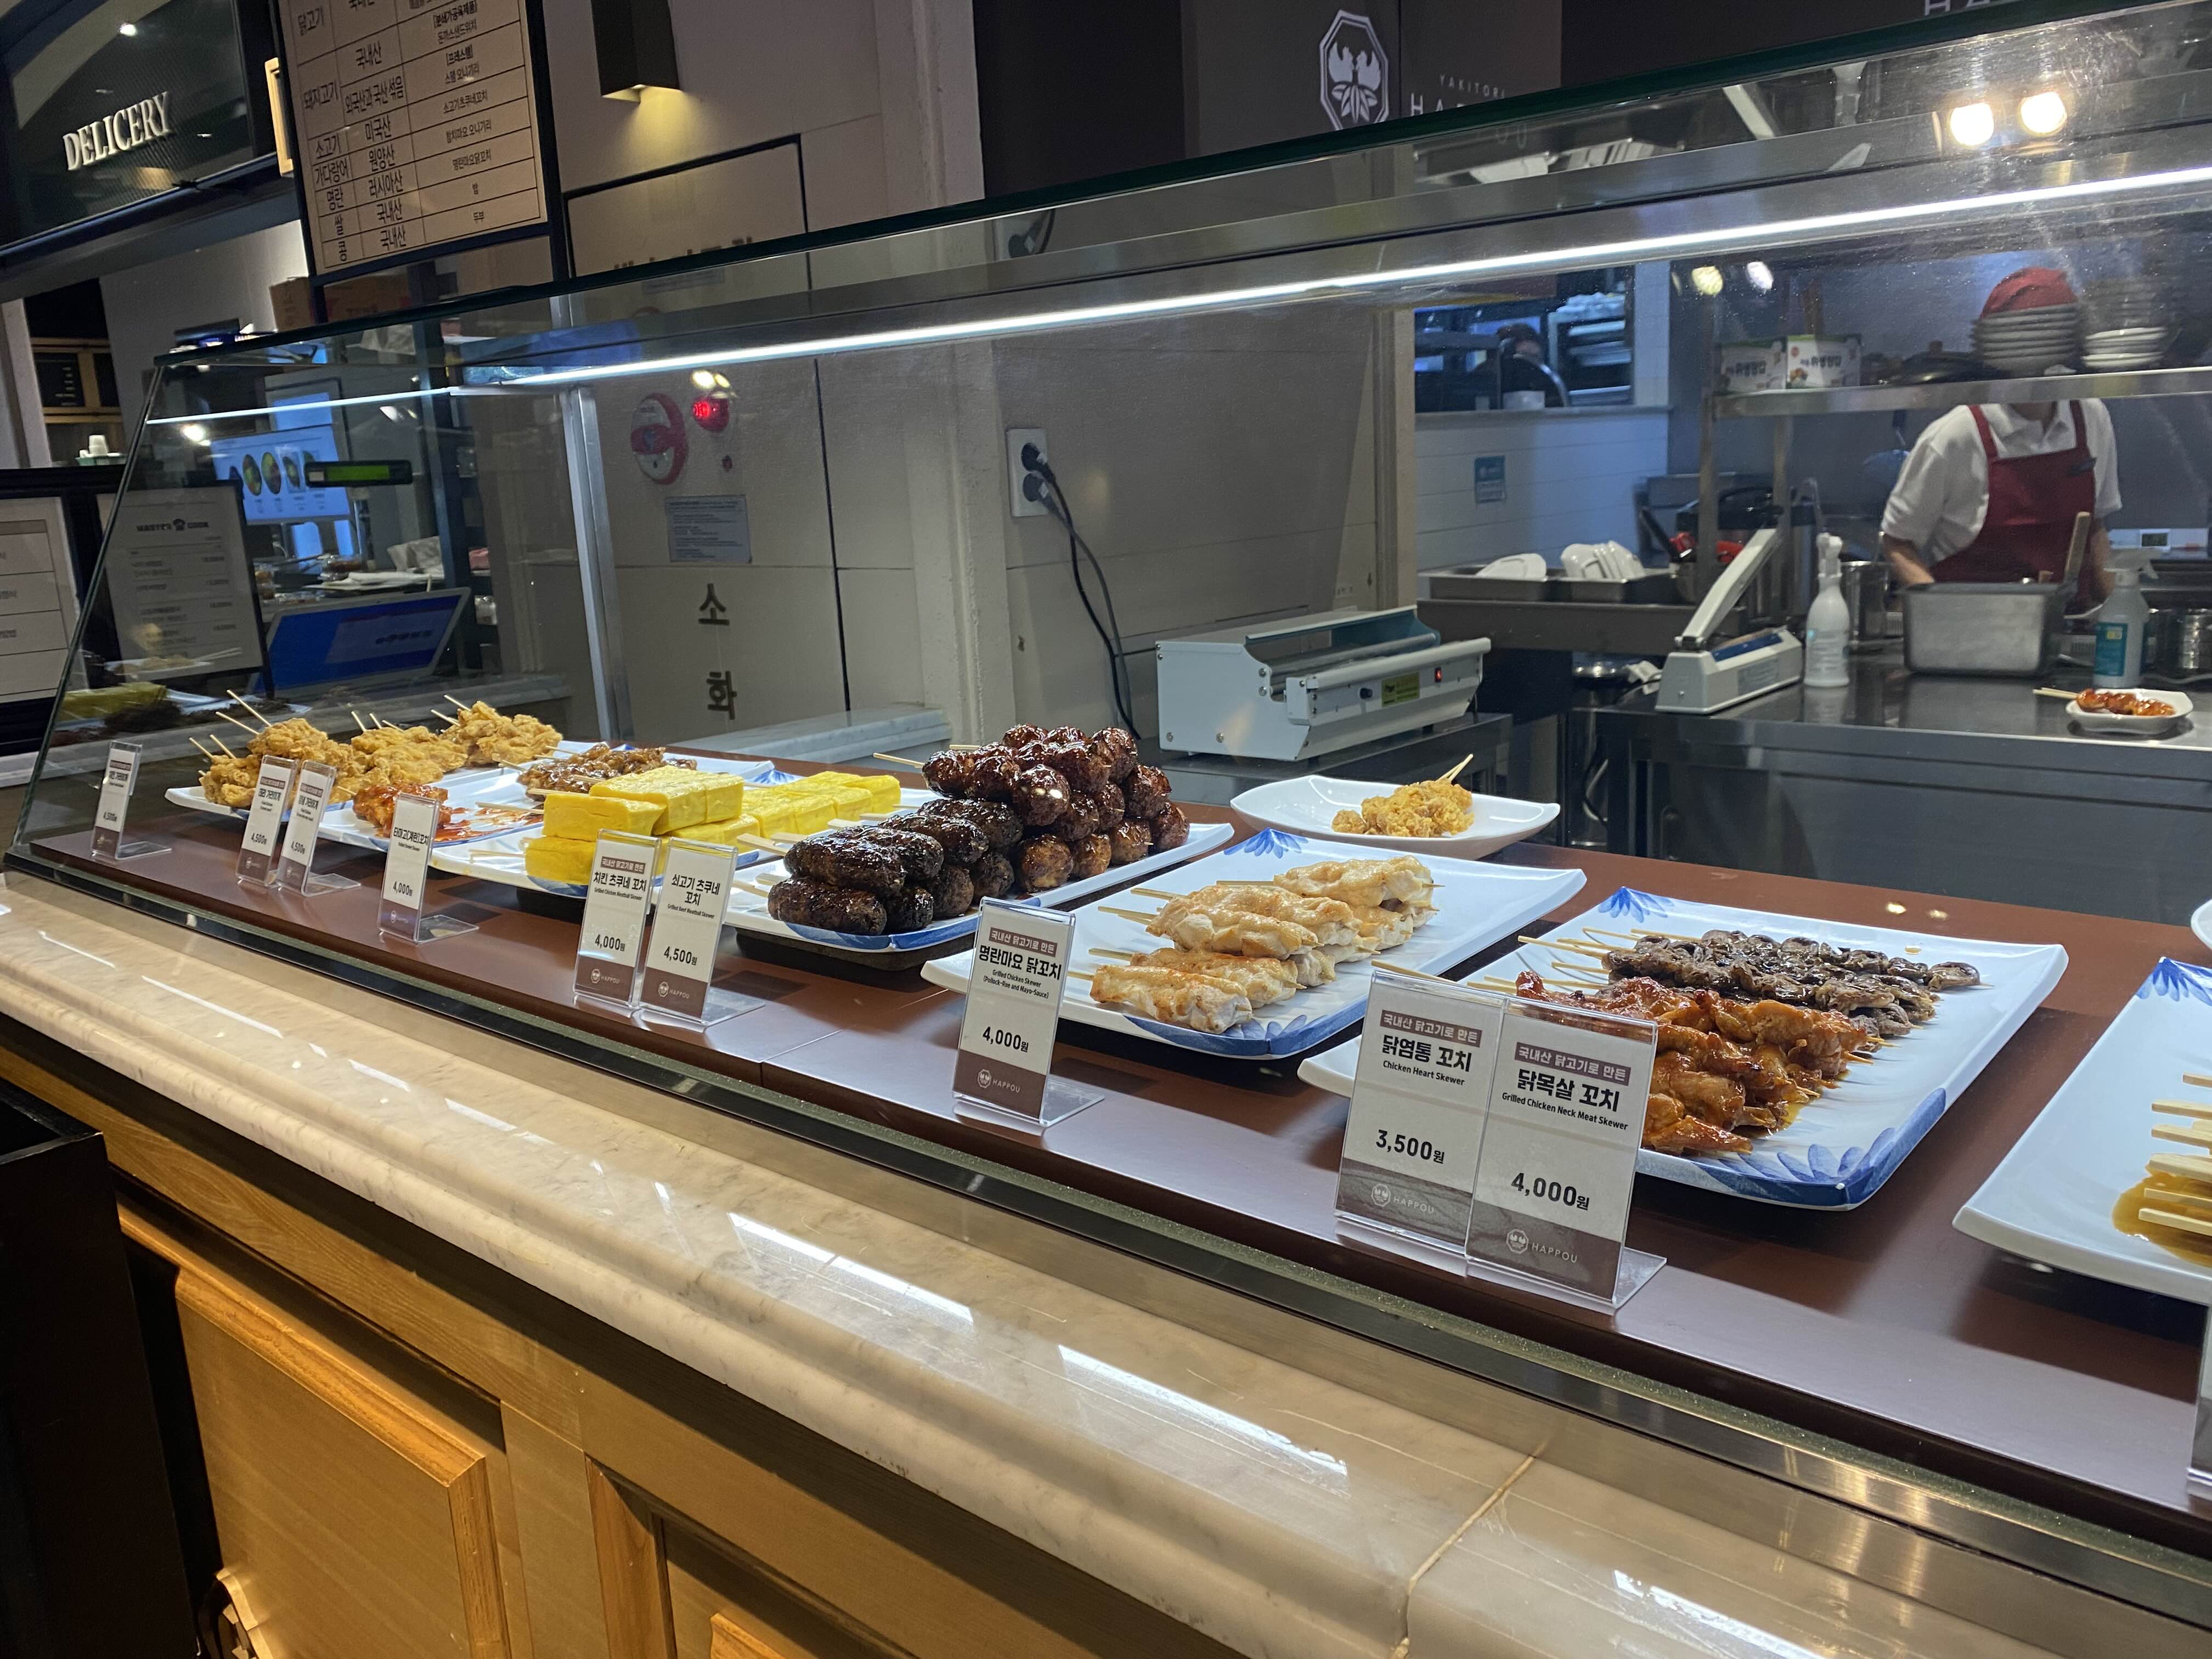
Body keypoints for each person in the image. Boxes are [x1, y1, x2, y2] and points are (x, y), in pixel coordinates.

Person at [1879, 268, 2118, 604]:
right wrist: (1940, 614)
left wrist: (2119, 611)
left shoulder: (2091, 416)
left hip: (2066, 623)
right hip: (1971, 625)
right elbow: (1897, 543)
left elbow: (2096, 529)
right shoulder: (1954, 437)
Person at [1495, 321, 1568, 408]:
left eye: (1535, 357)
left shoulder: (1544, 379)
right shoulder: (1490, 378)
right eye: (1519, 361)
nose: (1527, 369)